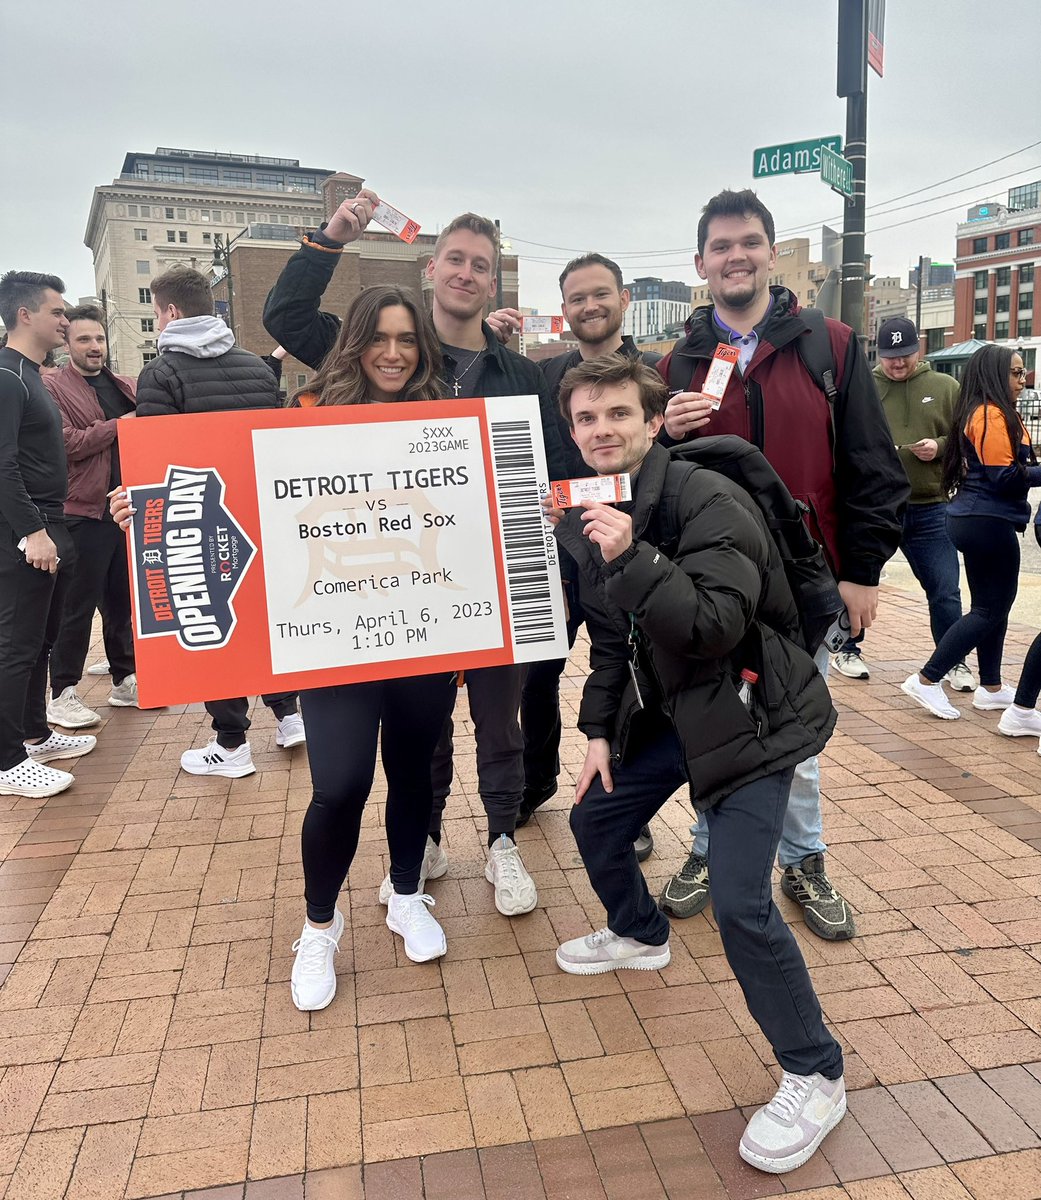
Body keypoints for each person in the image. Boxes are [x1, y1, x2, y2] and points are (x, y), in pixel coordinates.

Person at [548, 355, 845, 1174]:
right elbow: (612, 643)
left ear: (652, 423)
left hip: (752, 715)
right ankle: (639, 933)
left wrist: (633, 556)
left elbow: (714, 624)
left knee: (743, 905)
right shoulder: (590, 513)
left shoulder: (709, 498)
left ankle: (816, 1072)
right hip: (675, 713)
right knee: (595, 814)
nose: (601, 430)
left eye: (617, 415)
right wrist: (599, 731)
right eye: (585, 419)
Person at [265, 193, 561, 918]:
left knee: (499, 719)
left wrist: (546, 508)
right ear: (432, 269)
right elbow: (286, 318)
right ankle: (420, 843)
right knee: (417, 733)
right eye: (455, 259)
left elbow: (542, 465)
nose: (466, 273)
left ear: (494, 282)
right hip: (387, 584)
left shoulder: (514, 373)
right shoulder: (376, 348)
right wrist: (333, 235)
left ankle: (499, 841)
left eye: (480, 266)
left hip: (483, 576)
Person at [657, 189, 907, 939]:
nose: (736, 256)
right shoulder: (679, 361)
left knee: (794, 732)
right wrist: (661, 436)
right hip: (710, 588)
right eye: (721, 246)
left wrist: (860, 572)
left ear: (769, 252)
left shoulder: (826, 344)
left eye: (749, 242)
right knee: (708, 727)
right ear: (700, 263)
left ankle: (803, 859)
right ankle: (707, 846)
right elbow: (652, 485)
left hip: (805, 584)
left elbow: (870, 465)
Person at [287, 285, 459, 1004]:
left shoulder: (446, 419)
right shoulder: (304, 417)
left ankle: (405, 890)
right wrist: (137, 506)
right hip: (333, 637)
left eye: (407, 339)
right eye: (379, 338)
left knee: (414, 771)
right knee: (341, 785)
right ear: (354, 342)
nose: (394, 353)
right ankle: (318, 926)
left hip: (422, 632)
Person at [490, 254, 658, 860]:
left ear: (624, 298)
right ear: (563, 310)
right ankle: (535, 782)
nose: (589, 307)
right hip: (557, 552)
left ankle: (629, 804)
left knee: (634, 674)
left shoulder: (654, 374)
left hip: (632, 550)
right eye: (576, 298)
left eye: (600, 295)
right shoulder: (545, 374)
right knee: (538, 674)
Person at [135, 267, 305, 775]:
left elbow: (159, 467)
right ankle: (289, 715)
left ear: (169, 312)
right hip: (261, 517)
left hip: (199, 517)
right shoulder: (255, 368)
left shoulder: (160, 375)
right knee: (263, 615)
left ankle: (231, 745)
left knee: (209, 623)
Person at [831, 317, 972, 689]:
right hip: (873, 508)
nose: (898, 364)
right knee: (857, 578)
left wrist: (939, 447)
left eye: (905, 356)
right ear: (880, 354)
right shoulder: (862, 387)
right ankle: (847, 648)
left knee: (945, 588)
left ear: (918, 350)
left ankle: (952, 659)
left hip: (930, 505)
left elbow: (962, 437)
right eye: (891, 357)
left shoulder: (945, 387)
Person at [902, 346, 1039, 721]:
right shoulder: (990, 414)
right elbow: (1005, 476)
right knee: (989, 609)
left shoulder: (989, 412)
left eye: (1023, 371)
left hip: (978, 518)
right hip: (985, 520)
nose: (1022, 378)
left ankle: (990, 687)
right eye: (1014, 372)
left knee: (991, 606)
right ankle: (928, 679)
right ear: (996, 374)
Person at [0, 272, 96, 799]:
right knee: (15, 645)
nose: (66, 320)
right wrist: (34, 532)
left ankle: (34, 733)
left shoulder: (32, 373)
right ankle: (6, 759)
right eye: (58, 312)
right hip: (24, 532)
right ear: (25, 315)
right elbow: (2, 465)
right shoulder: (5, 375)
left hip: (50, 524)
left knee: (39, 640)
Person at [43, 306, 139, 728]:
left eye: (98, 338)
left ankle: (125, 679)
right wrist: (121, 424)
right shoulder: (54, 387)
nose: (94, 346)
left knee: (121, 602)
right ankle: (62, 693)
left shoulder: (124, 384)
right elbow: (65, 443)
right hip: (83, 511)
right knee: (76, 608)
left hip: (124, 509)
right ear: (68, 344)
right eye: (84, 339)